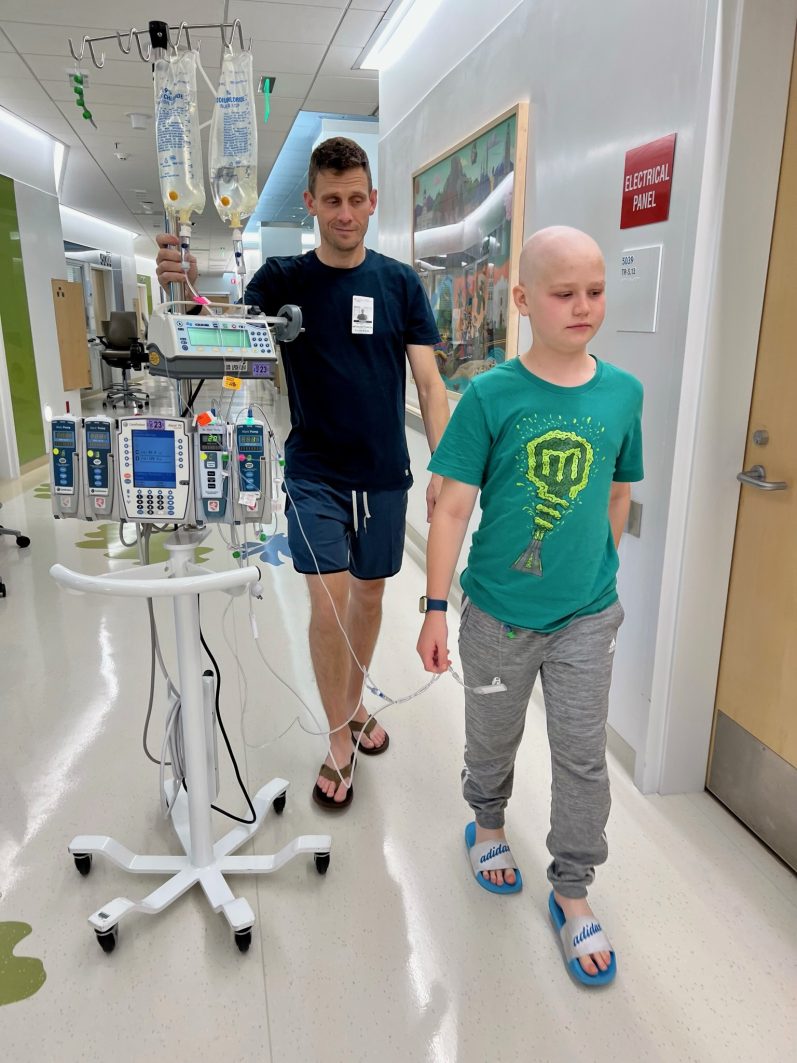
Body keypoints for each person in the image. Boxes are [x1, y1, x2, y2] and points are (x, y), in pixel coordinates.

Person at [157, 137, 449, 810]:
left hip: (382, 474)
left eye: (355, 200)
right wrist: (184, 282)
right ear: (310, 202)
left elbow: (430, 386)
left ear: (372, 202)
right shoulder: (284, 279)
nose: (344, 214)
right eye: (332, 201)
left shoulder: (399, 283)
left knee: (369, 602)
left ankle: (353, 703)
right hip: (312, 469)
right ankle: (339, 739)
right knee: (327, 605)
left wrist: (446, 469)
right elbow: (218, 328)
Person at [416, 226, 643, 986]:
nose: (583, 306)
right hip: (497, 614)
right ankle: (485, 821)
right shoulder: (490, 395)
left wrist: (593, 576)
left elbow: (617, 489)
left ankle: (572, 890)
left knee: (582, 757)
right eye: (563, 292)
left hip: (586, 616)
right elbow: (449, 508)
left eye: (595, 290)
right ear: (521, 300)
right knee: (494, 733)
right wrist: (434, 606)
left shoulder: (622, 393)